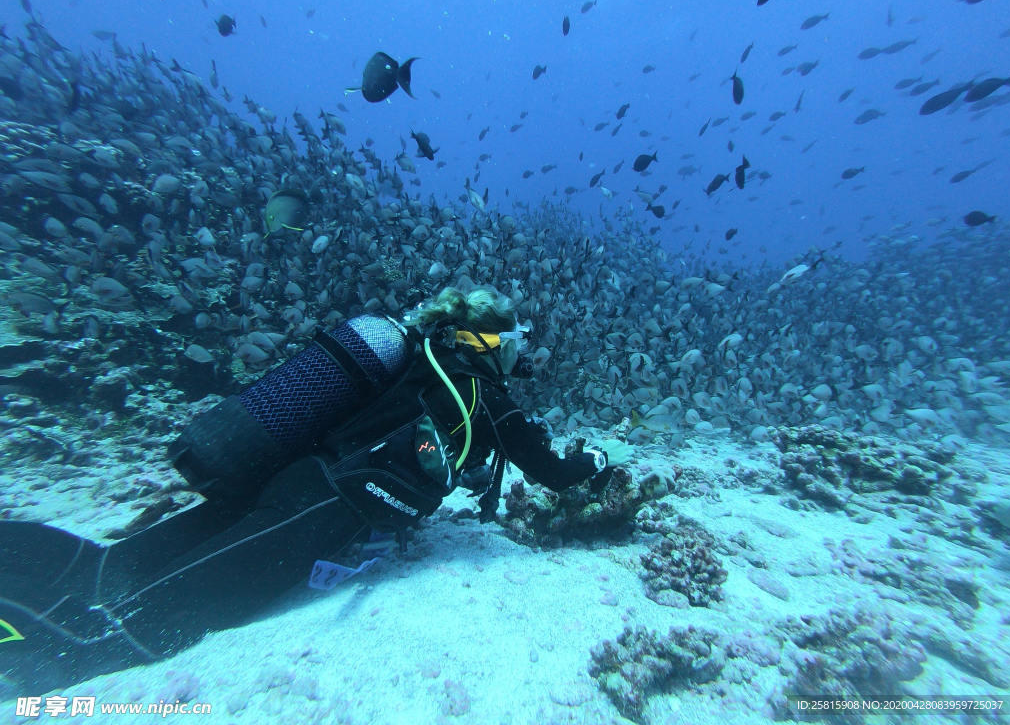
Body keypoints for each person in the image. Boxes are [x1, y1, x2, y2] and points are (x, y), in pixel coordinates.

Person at [0, 285, 630, 695]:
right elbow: (555, 473)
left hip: (288, 472)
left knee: (107, 568)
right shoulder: (485, 398)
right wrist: (599, 460)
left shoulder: (414, 360)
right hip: (324, 507)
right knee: (145, 628)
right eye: (515, 344)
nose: (519, 359)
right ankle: (38, 660)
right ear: (489, 343)